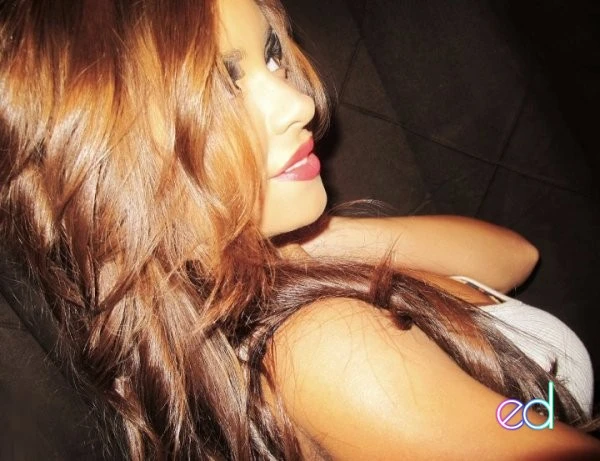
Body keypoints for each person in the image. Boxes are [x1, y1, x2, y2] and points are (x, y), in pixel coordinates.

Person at [0, 0, 598, 460]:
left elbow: (513, 258)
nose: (298, 103)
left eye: (270, 56)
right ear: (113, 160)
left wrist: (276, 250)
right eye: (223, 84)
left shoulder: (278, 286)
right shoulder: (329, 348)